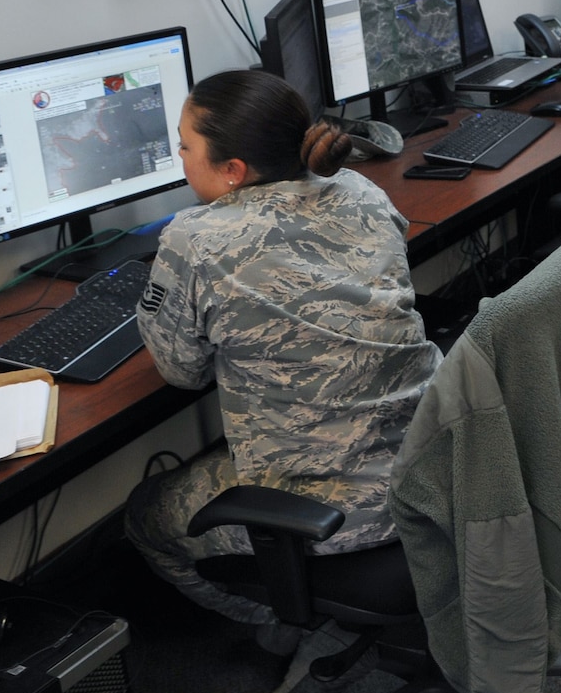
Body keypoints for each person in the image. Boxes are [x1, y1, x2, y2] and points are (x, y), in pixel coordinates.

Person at [125, 70, 441, 638]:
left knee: (146, 514)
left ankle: (278, 631)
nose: (178, 156)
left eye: (185, 145)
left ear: (233, 171)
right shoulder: (362, 190)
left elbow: (182, 372)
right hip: (433, 467)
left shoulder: (194, 238)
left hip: (330, 514)